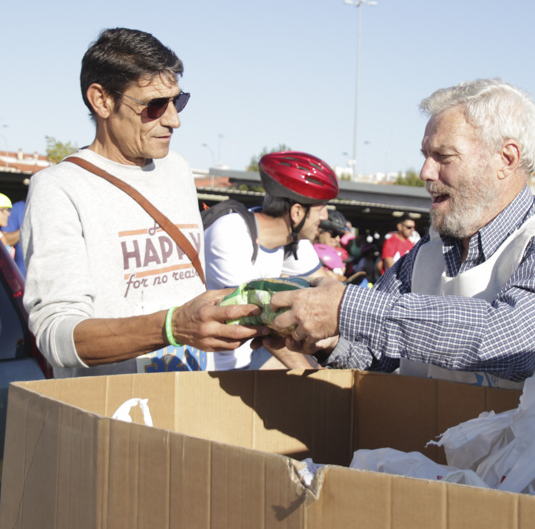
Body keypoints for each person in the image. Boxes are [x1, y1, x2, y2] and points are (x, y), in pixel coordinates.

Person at [265, 78, 535, 399]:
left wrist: (346, 308)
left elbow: (515, 340)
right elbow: (377, 356)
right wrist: (319, 338)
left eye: (443, 156)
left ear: (506, 158)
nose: (425, 172)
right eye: (425, 155)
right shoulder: (428, 253)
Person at [20, 27, 264, 378]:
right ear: (101, 101)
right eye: (154, 106)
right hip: (116, 414)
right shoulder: (59, 188)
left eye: (178, 101)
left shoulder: (177, 169)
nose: (174, 119)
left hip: (190, 400)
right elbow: (56, 337)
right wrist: (172, 328)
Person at [203, 151, 338, 370]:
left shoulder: (295, 242)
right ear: (296, 213)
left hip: (250, 358)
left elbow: (330, 297)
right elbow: (260, 318)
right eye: (321, 208)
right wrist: (315, 375)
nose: (325, 217)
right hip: (214, 368)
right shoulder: (232, 232)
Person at [313, 209, 350, 282]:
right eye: (334, 234)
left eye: (341, 235)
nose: (338, 239)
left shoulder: (338, 254)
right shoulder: (304, 252)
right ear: (319, 231)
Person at [1, 199, 27, 276]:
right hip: (23, 282)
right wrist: (27, 227)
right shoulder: (19, 209)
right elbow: (4, 240)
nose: (7, 214)